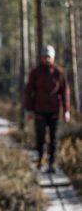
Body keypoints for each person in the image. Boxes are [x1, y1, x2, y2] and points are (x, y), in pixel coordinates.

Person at [24, 45, 70, 173]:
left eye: (49, 57)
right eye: (45, 56)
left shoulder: (58, 73)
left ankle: (52, 163)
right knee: (40, 137)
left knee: (54, 138)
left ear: (53, 58)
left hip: (54, 111)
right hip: (39, 110)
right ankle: (40, 158)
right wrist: (29, 110)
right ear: (41, 57)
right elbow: (28, 92)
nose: (47, 59)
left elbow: (65, 92)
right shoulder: (35, 73)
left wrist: (66, 110)